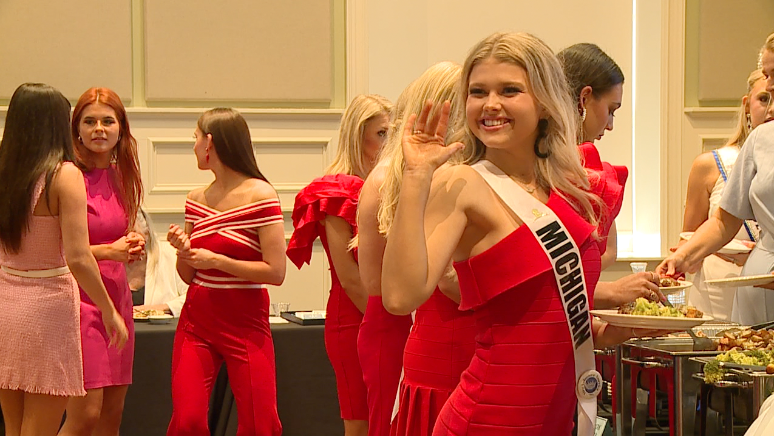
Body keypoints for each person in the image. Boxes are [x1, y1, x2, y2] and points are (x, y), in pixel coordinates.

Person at [380, 32, 662, 435]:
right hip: (487, 418)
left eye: (509, 90)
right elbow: (399, 297)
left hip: (555, 418)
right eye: (478, 92)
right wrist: (416, 175)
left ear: (545, 101)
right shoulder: (462, 184)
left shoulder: (567, 188)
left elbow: (550, 315)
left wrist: (613, 331)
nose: (491, 104)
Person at [0, 83, 128, 436]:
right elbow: (79, 257)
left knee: (14, 426)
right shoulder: (64, 173)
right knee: (39, 427)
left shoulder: (5, 172)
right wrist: (108, 310)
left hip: (6, 301)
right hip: (48, 307)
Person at [364, 62, 477, 436]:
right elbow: (449, 282)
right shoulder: (450, 179)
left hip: (431, 342)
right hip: (454, 349)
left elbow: (374, 283)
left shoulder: (395, 178)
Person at [166, 108, 286, 436]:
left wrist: (217, 261)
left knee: (260, 423)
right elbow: (188, 274)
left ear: (209, 142)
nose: (193, 146)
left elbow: (276, 272)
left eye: (195, 138)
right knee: (187, 421)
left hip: (245, 321)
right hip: (197, 319)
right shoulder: (195, 199)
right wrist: (184, 250)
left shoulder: (261, 195)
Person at [287, 94, 392, 436]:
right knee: (360, 421)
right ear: (358, 135)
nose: (389, 142)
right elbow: (349, 276)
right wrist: (386, 323)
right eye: (381, 133)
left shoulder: (387, 186)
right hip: (354, 319)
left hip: (387, 315)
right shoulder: (337, 189)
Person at [658, 32, 774, 326]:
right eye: (766, 75)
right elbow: (724, 221)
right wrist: (683, 257)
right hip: (757, 287)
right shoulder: (760, 140)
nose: (770, 85)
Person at [59, 87, 145, 436]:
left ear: (120, 129)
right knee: (85, 416)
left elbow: (118, 233)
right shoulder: (67, 176)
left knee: (112, 414)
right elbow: (59, 251)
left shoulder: (123, 176)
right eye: (89, 121)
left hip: (118, 296)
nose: (99, 129)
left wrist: (132, 243)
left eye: (108, 121)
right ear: (76, 129)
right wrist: (109, 251)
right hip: (79, 301)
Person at [558, 43, 663, 309]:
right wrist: (613, 291)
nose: (611, 125)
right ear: (584, 99)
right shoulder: (560, 170)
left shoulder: (584, 168)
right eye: (611, 110)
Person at [678, 69, 771, 321]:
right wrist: (683, 256)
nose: (770, 107)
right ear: (747, 105)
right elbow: (692, 237)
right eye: (763, 98)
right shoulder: (711, 164)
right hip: (716, 294)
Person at [129, 209, 189, 316]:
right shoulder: (104, 263)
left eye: (132, 233)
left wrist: (155, 309)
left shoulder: (172, 254)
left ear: (146, 232)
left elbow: (193, 298)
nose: (127, 240)